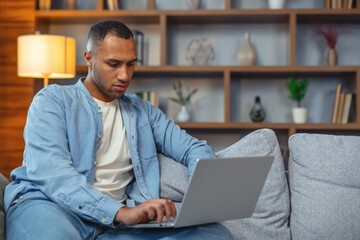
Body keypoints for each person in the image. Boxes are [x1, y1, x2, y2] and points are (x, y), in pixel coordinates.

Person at [4, 20, 233, 240]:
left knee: (215, 234)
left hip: (115, 227)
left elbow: (194, 149)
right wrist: (120, 212)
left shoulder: (144, 111)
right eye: (113, 64)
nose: (125, 75)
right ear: (89, 59)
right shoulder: (53, 100)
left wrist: (201, 201)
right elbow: (53, 174)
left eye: (131, 64)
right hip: (52, 207)